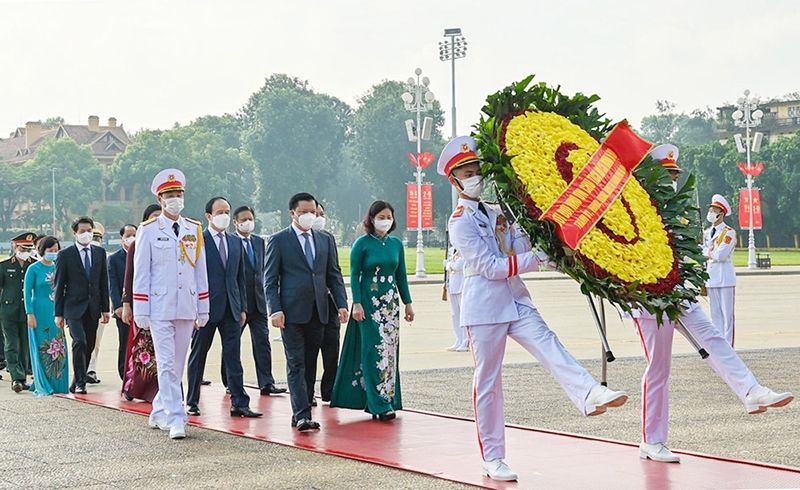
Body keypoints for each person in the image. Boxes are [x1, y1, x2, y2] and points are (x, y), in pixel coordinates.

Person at [439, 136, 629, 482]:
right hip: (484, 309)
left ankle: (589, 393)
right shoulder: (459, 222)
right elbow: (491, 267)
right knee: (488, 382)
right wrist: (534, 258)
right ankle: (493, 457)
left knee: (549, 342)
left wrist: (545, 240)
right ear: (454, 180)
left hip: (515, 299)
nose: (476, 177)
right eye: (468, 173)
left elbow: (519, 246)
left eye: (478, 170)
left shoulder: (497, 212)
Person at [632, 145, 793, 463]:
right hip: (648, 300)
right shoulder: (635, 208)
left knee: (715, 338)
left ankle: (751, 391)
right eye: (667, 175)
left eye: (675, 175)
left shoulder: (676, 212)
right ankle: (652, 440)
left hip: (678, 293)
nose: (673, 181)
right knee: (659, 368)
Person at [132, 169, 210, 440]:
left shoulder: (194, 228)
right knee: (165, 362)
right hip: (159, 305)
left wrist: (203, 306)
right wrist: (140, 307)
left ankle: (158, 410)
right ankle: (177, 418)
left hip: (186, 304)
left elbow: (200, 270)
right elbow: (141, 270)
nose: (175, 199)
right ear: (160, 199)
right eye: (170, 196)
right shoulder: (149, 230)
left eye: (179, 195)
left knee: (176, 364)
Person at [265, 192, 348, 432]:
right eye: (304, 212)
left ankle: (303, 409)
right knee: (296, 362)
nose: (310, 216)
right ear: (293, 213)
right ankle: (301, 414)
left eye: (313, 211)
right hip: (291, 313)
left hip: (319, 311)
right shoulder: (279, 240)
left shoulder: (324, 239)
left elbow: (334, 275)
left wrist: (341, 304)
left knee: (311, 362)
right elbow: (270, 280)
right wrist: (275, 309)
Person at [330, 200, 414, 421]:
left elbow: (401, 276)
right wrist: (356, 303)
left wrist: (408, 303)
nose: (386, 221)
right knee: (372, 350)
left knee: (389, 351)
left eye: (389, 217)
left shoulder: (396, 244)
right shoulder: (362, 244)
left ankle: (386, 398)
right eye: (381, 217)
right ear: (371, 219)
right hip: (369, 304)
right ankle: (378, 404)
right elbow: (355, 276)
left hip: (390, 306)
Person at [186, 197, 261, 418]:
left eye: (227, 211)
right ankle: (192, 400)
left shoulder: (235, 242)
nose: (224, 215)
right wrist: (193, 309)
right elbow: (191, 277)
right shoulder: (198, 240)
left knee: (233, 356)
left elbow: (240, 278)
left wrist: (242, 308)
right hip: (205, 309)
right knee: (199, 355)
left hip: (231, 308)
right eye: (220, 212)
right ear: (208, 216)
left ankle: (239, 402)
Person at [223, 205, 286, 397]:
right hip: (237, 303)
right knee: (232, 344)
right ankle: (229, 381)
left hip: (258, 301)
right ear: (235, 222)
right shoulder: (231, 241)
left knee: (262, 342)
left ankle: (266, 382)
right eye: (242, 219)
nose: (247, 222)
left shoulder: (259, 242)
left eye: (250, 218)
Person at [53, 217, 110, 395]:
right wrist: (59, 313)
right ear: (75, 233)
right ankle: (81, 383)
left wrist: (105, 309)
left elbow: (103, 282)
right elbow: (59, 285)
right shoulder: (65, 255)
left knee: (89, 345)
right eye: (83, 231)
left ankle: (76, 378)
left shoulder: (99, 253)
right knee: (79, 341)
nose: (87, 234)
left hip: (93, 307)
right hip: (73, 308)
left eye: (89, 231)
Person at [121, 205, 162, 402]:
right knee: (143, 347)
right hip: (144, 304)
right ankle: (136, 387)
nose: (158, 220)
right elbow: (130, 277)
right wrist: (127, 304)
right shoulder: (137, 244)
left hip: (164, 303)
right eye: (153, 217)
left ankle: (161, 389)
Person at [24, 236, 69, 395]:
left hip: (56, 311)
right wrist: (30, 314)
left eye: (56, 250)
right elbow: (27, 293)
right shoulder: (33, 269)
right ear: (43, 251)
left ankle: (59, 382)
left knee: (59, 347)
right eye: (51, 251)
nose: (54, 253)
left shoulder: (59, 267)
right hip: (39, 310)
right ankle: (43, 382)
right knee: (43, 347)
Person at [312, 202, 342, 402]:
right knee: (309, 353)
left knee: (332, 350)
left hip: (329, 302)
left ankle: (329, 389)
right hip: (308, 305)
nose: (319, 218)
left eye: (322, 214)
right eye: (315, 214)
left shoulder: (328, 238)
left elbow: (335, 272)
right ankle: (306, 392)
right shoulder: (288, 240)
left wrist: (342, 303)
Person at [1, 232, 37, 392]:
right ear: (16, 247)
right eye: (24, 248)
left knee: (24, 346)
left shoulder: (34, 266)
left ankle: (22, 377)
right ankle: (16, 378)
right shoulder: (4, 266)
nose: (27, 251)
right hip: (8, 312)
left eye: (29, 248)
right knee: (11, 345)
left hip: (28, 312)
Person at [703, 194, 737, 346]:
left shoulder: (728, 232)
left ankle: (729, 346)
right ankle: (719, 347)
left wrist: (706, 251)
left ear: (721, 213)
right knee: (715, 315)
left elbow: (720, 255)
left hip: (724, 276)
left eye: (714, 209)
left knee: (727, 316)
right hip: (711, 277)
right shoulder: (706, 232)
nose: (710, 212)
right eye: (710, 209)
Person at [108, 223, 137, 381]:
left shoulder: (143, 254)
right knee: (125, 343)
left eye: (134, 235)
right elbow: (112, 284)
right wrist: (118, 306)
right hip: (124, 309)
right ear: (122, 238)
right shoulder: (114, 259)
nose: (132, 238)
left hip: (142, 307)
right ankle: (124, 375)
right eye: (128, 236)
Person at [86, 222, 106, 384]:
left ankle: (91, 369)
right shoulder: (72, 255)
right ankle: (82, 368)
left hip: (97, 306)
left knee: (96, 340)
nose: (95, 240)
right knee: (80, 340)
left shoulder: (102, 256)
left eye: (97, 238)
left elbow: (105, 284)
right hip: (78, 307)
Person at [444, 247, 468, 352]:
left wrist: (448, 265)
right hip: (453, 285)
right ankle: (459, 339)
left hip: (462, 285)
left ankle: (466, 341)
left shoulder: (465, 248)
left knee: (464, 315)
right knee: (455, 314)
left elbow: (459, 266)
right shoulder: (452, 250)